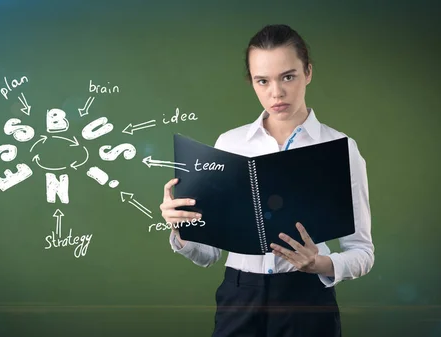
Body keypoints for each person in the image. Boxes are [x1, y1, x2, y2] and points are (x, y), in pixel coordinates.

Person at [160, 24, 374, 337]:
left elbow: (362, 252)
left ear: (308, 72)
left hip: (308, 299)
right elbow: (208, 255)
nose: (276, 93)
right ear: (253, 82)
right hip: (238, 296)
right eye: (263, 81)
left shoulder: (340, 148)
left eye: (288, 76)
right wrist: (181, 227)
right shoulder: (230, 144)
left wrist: (321, 265)